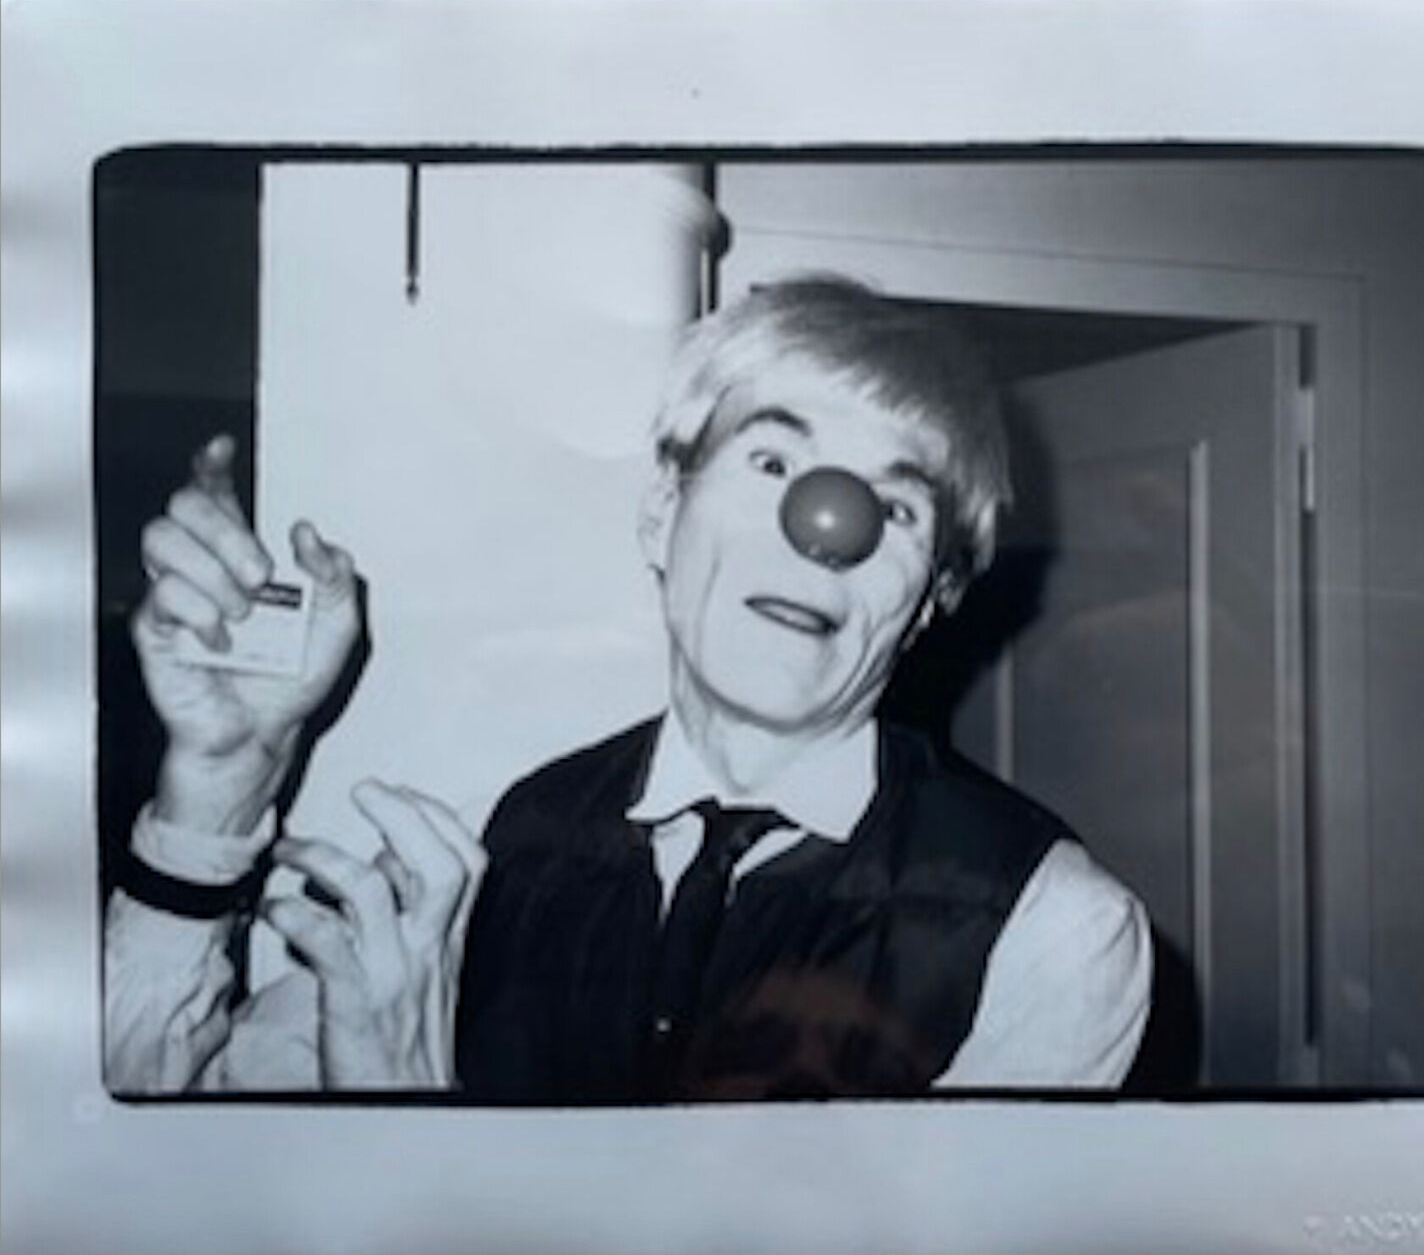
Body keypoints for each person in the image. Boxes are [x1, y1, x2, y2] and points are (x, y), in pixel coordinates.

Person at [105, 276, 1152, 1100]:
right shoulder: (481, 860)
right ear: (661, 514)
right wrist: (220, 783)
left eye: (897, 508)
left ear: (931, 598)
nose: (825, 530)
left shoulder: (1050, 929)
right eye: (772, 464)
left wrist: (412, 1125)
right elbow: (148, 1131)